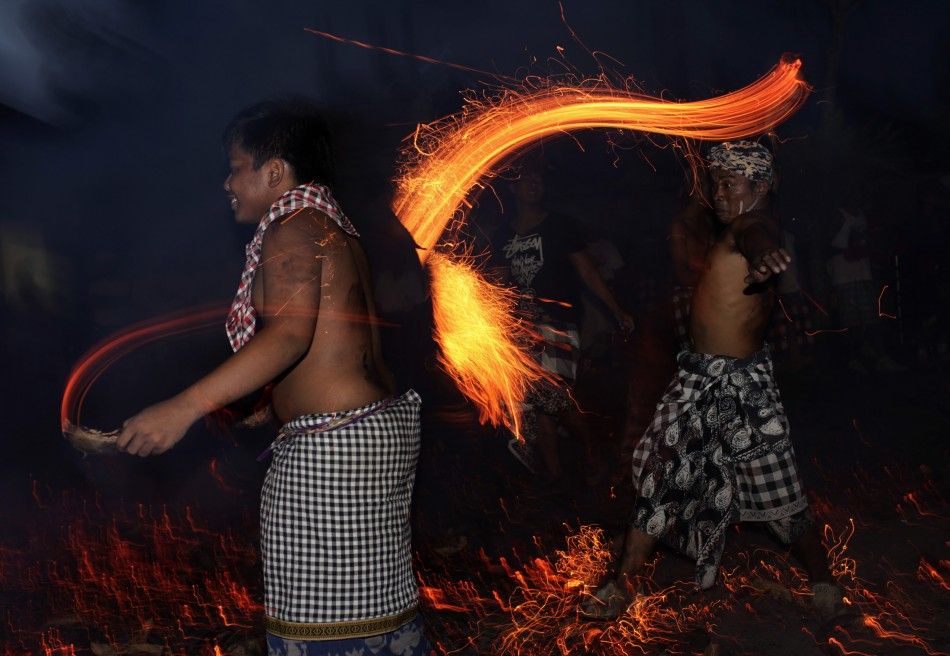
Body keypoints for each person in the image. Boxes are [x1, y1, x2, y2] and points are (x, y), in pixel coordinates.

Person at [115, 99, 430, 655]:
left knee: (322, 622)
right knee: (372, 601)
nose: (226, 183)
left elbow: (289, 336)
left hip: (334, 446)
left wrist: (183, 407)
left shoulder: (292, 226)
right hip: (372, 434)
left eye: (236, 166)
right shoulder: (330, 226)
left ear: (275, 171)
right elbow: (331, 341)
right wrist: (271, 401)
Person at [581, 140, 841, 620]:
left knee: (780, 498)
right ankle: (621, 585)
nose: (718, 193)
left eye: (729, 183)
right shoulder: (733, 227)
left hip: (744, 389)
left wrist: (766, 258)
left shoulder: (754, 225)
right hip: (698, 382)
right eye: (715, 183)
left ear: (759, 186)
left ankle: (823, 580)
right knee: (659, 479)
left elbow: (758, 239)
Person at [494, 159, 634, 483]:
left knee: (552, 398)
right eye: (527, 178)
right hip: (523, 328)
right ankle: (554, 477)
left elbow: (587, 271)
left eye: (538, 179)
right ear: (512, 188)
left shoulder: (560, 225)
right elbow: (499, 284)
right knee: (540, 404)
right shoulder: (502, 234)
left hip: (559, 324)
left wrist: (617, 311)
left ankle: (594, 451)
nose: (534, 183)